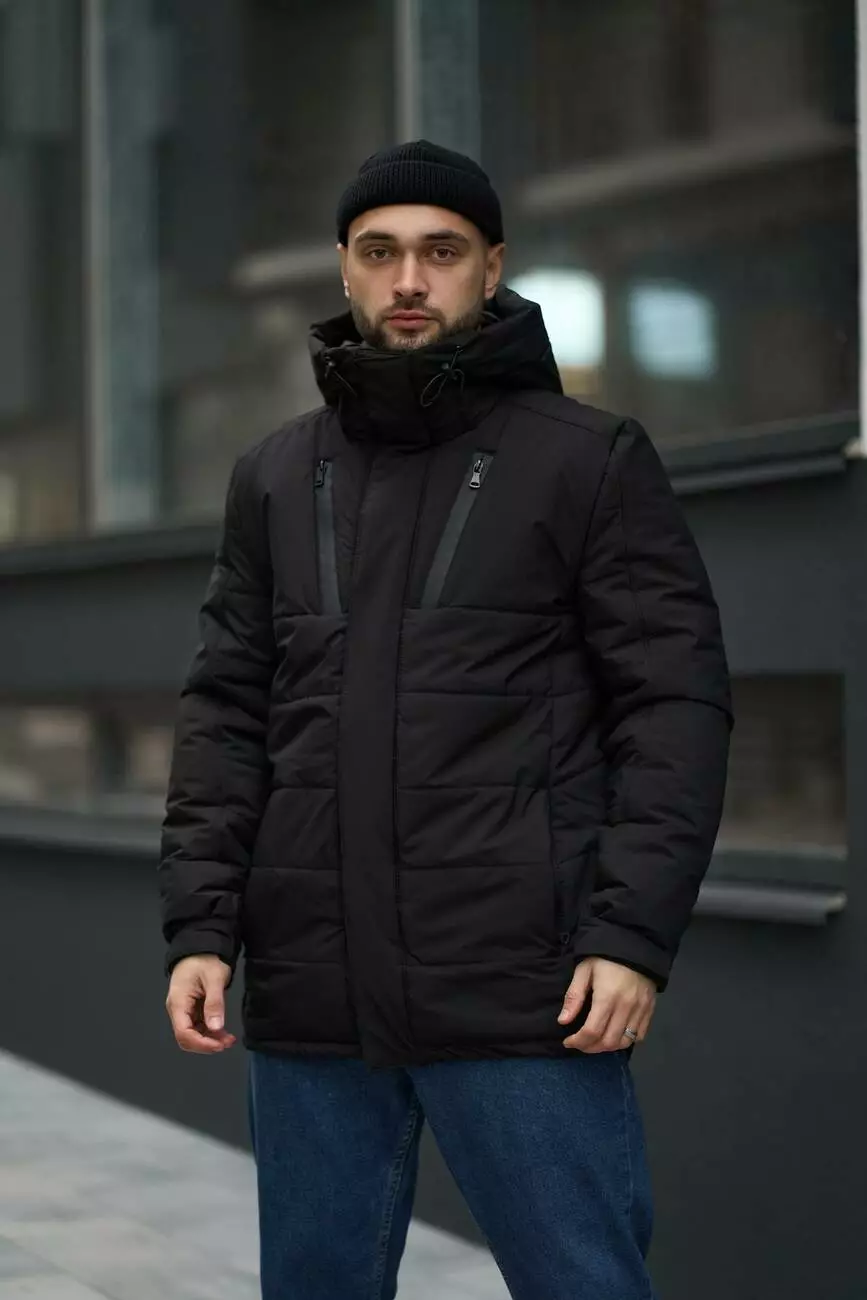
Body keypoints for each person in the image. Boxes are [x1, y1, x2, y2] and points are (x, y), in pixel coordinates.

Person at [159, 140, 732, 1300]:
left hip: (524, 989)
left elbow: (674, 707)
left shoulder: (589, 460)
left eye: (441, 251)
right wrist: (202, 926)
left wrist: (630, 936)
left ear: (491, 267)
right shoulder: (274, 476)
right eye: (380, 253)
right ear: (345, 268)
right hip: (314, 990)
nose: (409, 279)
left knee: (582, 1283)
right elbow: (227, 710)